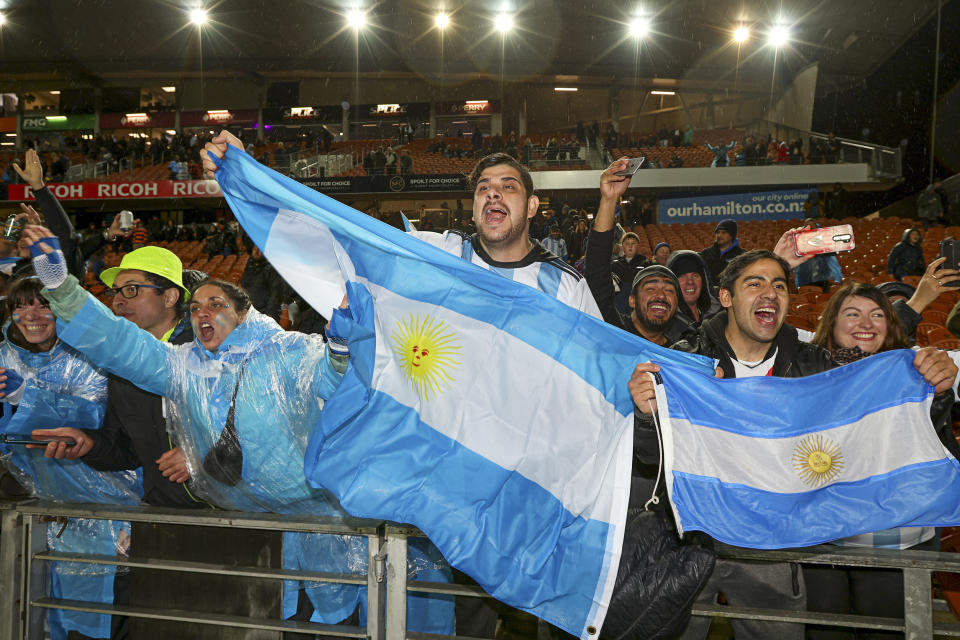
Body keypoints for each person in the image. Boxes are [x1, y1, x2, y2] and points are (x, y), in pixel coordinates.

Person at [26, 229, 454, 634]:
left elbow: (334, 382)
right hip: (256, 536)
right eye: (195, 309)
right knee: (281, 629)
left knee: (355, 622)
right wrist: (59, 285)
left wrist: (341, 348)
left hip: (331, 526)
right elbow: (118, 342)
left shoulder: (285, 352)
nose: (202, 313)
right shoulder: (183, 365)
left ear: (244, 312)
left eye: (216, 304)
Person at [628, 250, 958, 640]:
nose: (770, 293)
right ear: (727, 297)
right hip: (690, 543)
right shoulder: (683, 363)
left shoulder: (817, 365)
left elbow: (880, 403)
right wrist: (646, 416)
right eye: (755, 283)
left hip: (773, 553)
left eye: (780, 285)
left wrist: (932, 392)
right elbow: (649, 458)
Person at [804, 282, 960, 640]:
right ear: (832, 323)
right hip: (823, 543)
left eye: (878, 315)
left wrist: (938, 393)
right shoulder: (803, 374)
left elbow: (935, 442)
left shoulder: (918, 373)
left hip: (897, 545)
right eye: (853, 313)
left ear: (891, 326)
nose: (866, 323)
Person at [0, 275, 141, 640]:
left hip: (106, 506)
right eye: (21, 306)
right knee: (39, 612)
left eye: (42, 304)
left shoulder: (91, 355)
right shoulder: (4, 357)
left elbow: (93, 419)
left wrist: (24, 396)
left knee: (96, 614)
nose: (32, 315)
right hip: (38, 510)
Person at [586, 159, 691, 346]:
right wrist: (609, 200)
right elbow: (597, 271)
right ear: (632, 300)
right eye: (650, 288)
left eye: (669, 290)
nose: (660, 295)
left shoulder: (689, 348)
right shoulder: (615, 332)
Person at [666, 250, 721, 325]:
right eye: (682, 276)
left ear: (704, 281)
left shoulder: (719, 318)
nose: (690, 282)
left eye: (695, 275)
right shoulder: (664, 324)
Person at [699, 218, 745, 287]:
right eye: (718, 232)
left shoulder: (742, 255)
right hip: (711, 294)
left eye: (724, 232)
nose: (719, 235)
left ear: (732, 235)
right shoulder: (706, 253)